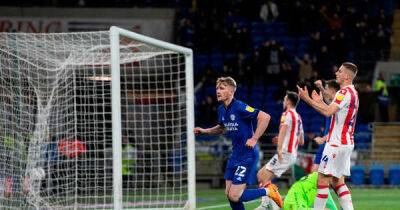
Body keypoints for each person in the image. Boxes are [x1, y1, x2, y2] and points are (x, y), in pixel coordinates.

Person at [194, 77, 283, 209]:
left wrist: (254, 138)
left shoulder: (240, 107)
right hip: (235, 155)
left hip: (247, 155)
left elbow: (265, 117)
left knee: (235, 195)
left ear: (231, 91)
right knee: (229, 194)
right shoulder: (221, 110)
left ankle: (269, 191)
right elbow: (222, 128)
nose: (217, 91)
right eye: (217, 88)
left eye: (222, 88)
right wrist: (204, 131)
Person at [297, 62, 359, 210]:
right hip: (346, 143)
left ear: (347, 76)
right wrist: (320, 102)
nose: (336, 73)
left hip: (336, 144)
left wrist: (307, 100)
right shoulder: (353, 93)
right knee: (338, 182)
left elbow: (327, 112)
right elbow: (333, 111)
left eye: (340, 71)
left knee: (322, 180)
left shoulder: (343, 93)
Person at [256, 91, 304, 209]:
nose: (283, 101)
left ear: (288, 101)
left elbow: (283, 130)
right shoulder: (298, 117)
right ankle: (269, 204)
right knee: (262, 175)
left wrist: (279, 147)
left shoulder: (287, 114)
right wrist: (286, 139)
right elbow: (301, 140)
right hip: (291, 153)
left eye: (284, 99)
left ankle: (269, 205)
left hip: (285, 152)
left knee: (262, 176)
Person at [312, 79, 340, 172]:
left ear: (333, 91)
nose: (325, 91)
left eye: (326, 89)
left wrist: (306, 99)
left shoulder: (338, 107)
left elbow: (338, 130)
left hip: (332, 144)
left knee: (327, 176)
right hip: (326, 143)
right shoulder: (332, 104)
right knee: (315, 172)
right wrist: (320, 87)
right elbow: (326, 98)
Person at [272, 172, 338, 210]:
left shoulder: (318, 178)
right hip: (296, 206)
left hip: (290, 203)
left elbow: (331, 205)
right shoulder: (322, 180)